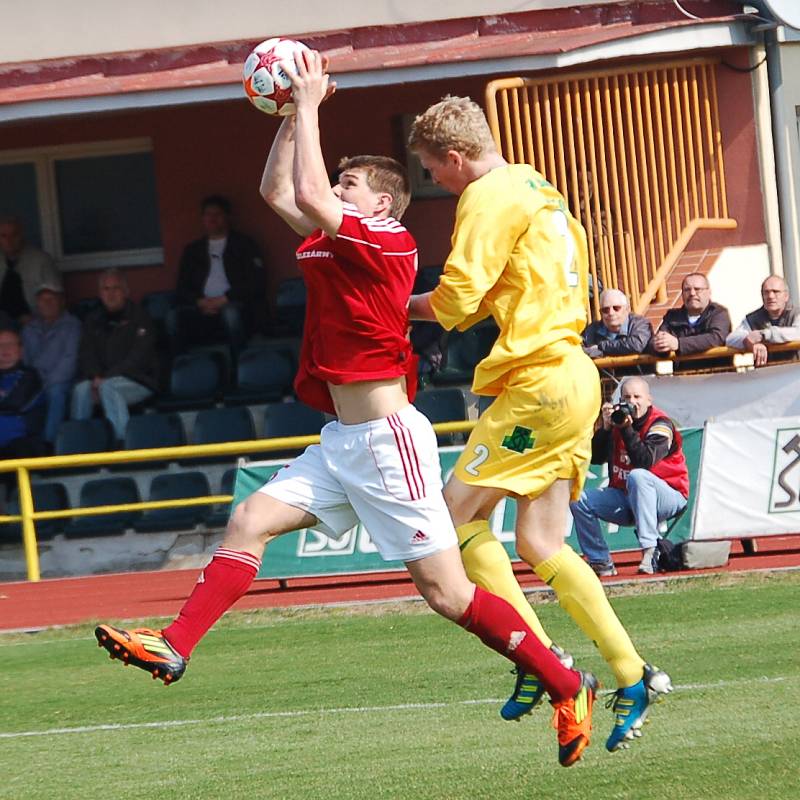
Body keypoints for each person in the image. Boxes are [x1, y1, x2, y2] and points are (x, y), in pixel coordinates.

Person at [94, 52, 597, 768]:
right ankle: (174, 646)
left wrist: (307, 105)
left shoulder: (388, 241)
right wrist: (284, 116)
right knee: (249, 519)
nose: (333, 188)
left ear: (381, 203)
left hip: (389, 441)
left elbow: (306, 187)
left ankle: (564, 681)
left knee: (447, 595)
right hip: (342, 439)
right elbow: (279, 186)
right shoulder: (335, 235)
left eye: (348, 183)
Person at [407, 94, 671, 754]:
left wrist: (388, 303)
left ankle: (544, 664)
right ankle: (632, 674)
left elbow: (457, 301)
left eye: (433, 171)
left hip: (537, 384)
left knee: (454, 523)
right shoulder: (538, 185)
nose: (435, 183)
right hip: (574, 372)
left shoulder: (488, 196)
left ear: (457, 158)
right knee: (542, 543)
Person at [571, 376, 689, 576]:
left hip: (669, 496)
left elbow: (644, 461)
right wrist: (606, 429)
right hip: (626, 497)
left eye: (637, 396)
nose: (632, 402)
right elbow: (597, 458)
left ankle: (650, 551)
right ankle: (600, 561)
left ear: (649, 400)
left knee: (638, 476)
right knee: (577, 499)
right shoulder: (618, 422)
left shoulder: (661, 424)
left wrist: (626, 428)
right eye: (627, 397)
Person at [171, 195, 267, 354]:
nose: (212, 219)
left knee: (231, 314)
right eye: (208, 214)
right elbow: (181, 287)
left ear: (227, 217)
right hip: (202, 307)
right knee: (173, 317)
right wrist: (200, 302)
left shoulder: (244, 244)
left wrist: (224, 299)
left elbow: (256, 282)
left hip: (236, 305)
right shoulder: (192, 250)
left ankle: (239, 367)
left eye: (217, 214)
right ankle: (182, 370)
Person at [71, 269, 159, 442]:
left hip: (139, 380)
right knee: (80, 390)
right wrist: (95, 377)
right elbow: (86, 353)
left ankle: (121, 444)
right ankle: (78, 445)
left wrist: (104, 379)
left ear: (126, 291)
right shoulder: (93, 319)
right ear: (100, 293)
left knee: (108, 388)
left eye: (116, 288)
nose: (110, 293)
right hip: (102, 380)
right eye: (106, 289)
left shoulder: (140, 317)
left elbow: (139, 358)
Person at [21, 283, 81, 448]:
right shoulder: (29, 329)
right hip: (36, 381)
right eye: (42, 299)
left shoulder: (73, 325)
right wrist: (33, 382)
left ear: (61, 301)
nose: (47, 303)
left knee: (56, 393)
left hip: (62, 381)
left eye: (51, 299)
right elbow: (25, 362)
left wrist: (46, 383)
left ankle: (49, 445)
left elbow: (70, 360)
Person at [650, 272, 731, 357]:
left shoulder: (719, 313)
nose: (692, 293)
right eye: (687, 290)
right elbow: (658, 340)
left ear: (709, 292)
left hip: (717, 369)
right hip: (683, 370)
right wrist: (658, 344)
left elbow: (716, 338)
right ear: (682, 294)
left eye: (697, 289)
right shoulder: (673, 317)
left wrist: (679, 344)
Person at [726, 275, 800, 366]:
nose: (770, 296)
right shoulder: (753, 318)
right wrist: (749, 342)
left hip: (794, 374)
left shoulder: (797, 313)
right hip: (766, 376)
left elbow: (797, 332)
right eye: (766, 292)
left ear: (786, 296)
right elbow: (730, 339)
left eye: (776, 292)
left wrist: (765, 335)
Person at [0, 216, 63, 321]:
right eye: (3, 236)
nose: (9, 240)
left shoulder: (42, 260)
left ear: (22, 236)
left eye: (14, 235)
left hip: (34, 321)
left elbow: (57, 299)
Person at [0, 328, 46, 463]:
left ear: (20, 350)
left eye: (10, 344)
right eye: (1, 345)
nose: (5, 349)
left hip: (20, 443)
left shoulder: (30, 376)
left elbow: (15, 403)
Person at [582, 289, 652, 358]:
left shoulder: (640, 323)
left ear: (627, 309)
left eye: (616, 308)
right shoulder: (591, 330)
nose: (611, 313)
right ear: (600, 313)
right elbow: (580, 351)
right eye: (605, 310)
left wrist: (601, 347)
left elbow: (637, 345)